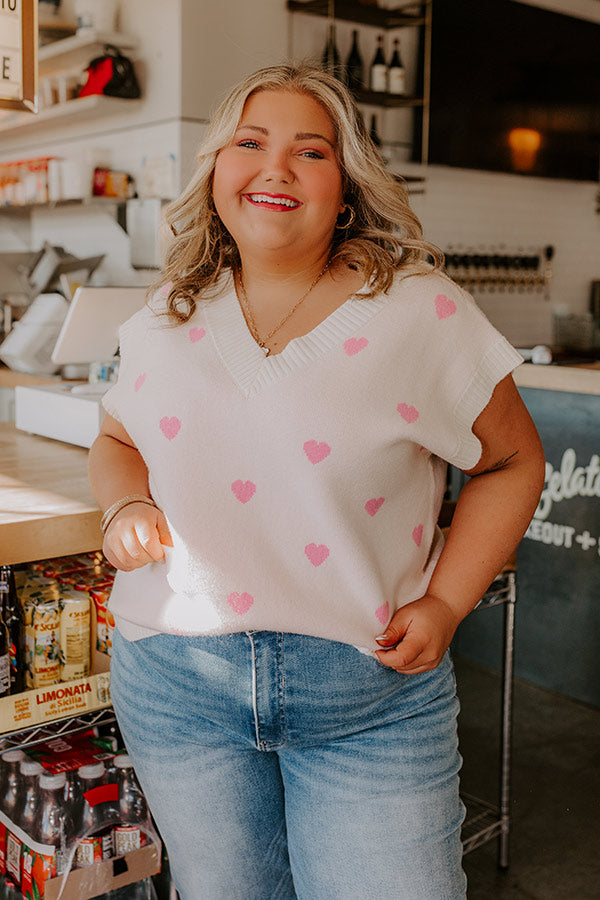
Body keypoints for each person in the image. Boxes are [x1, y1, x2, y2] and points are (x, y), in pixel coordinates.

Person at [88, 64, 545, 900]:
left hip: (370, 697)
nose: (276, 167)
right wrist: (125, 502)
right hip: (174, 687)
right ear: (216, 171)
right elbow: (116, 438)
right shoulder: (166, 314)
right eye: (250, 142)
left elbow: (513, 462)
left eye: (311, 151)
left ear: (347, 189)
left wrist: (447, 604)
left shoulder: (420, 310)